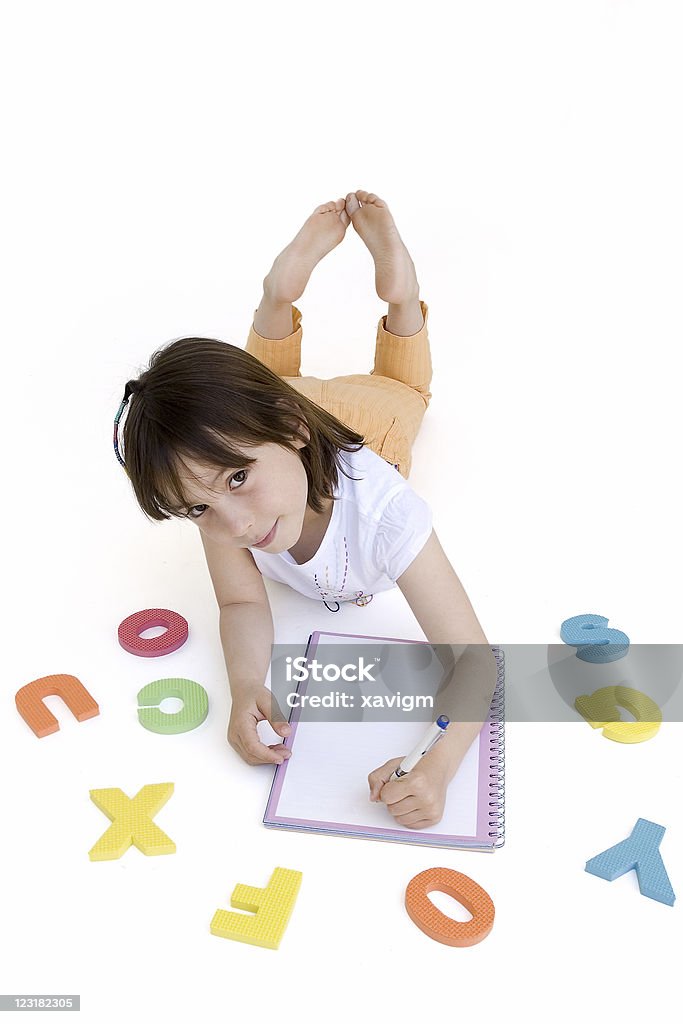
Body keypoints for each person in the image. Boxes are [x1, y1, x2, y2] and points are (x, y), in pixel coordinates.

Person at [114, 190, 497, 829]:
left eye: (237, 479)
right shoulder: (219, 501)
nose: (234, 527)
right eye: (197, 508)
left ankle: (397, 295)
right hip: (283, 415)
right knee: (250, 396)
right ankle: (276, 300)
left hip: (367, 428)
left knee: (402, 391)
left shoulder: (387, 513)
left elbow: (478, 660)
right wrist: (244, 686)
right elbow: (240, 603)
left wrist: (439, 762)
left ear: (294, 431)